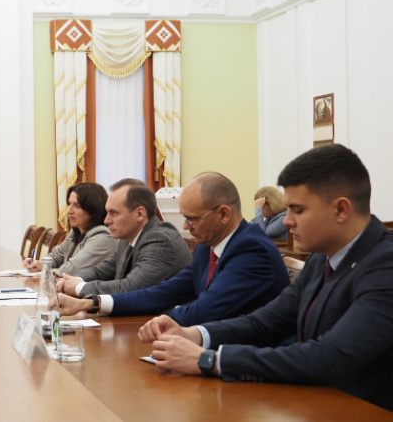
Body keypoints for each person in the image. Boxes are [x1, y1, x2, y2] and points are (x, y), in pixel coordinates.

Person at [138, 145, 393, 412]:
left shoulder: (385, 265)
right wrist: (195, 335)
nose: (286, 222)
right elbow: (264, 323)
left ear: (341, 209)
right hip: (316, 404)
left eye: (297, 210)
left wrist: (210, 360)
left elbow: (329, 356)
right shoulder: (321, 257)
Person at [57, 172, 289, 326]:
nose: (185, 227)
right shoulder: (207, 247)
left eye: (192, 219)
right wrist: (92, 302)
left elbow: (205, 311)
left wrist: (160, 318)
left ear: (223, 214)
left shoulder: (252, 249)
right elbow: (163, 292)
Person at [57, 178, 191, 297]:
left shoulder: (159, 240)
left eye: (113, 213)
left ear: (139, 214)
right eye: (107, 212)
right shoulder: (128, 239)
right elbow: (101, 271)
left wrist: (79, 288)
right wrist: (75, 279)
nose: (106, 220)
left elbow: (131, 288)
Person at [23, 182, 119, 277]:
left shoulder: (103, 239)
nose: (69, 211)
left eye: (77, 206)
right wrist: (40, 264)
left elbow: (72, 270)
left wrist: (53, 270)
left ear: (93, 209)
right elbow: (57, 256)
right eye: (69, 204)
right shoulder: (77, 230)